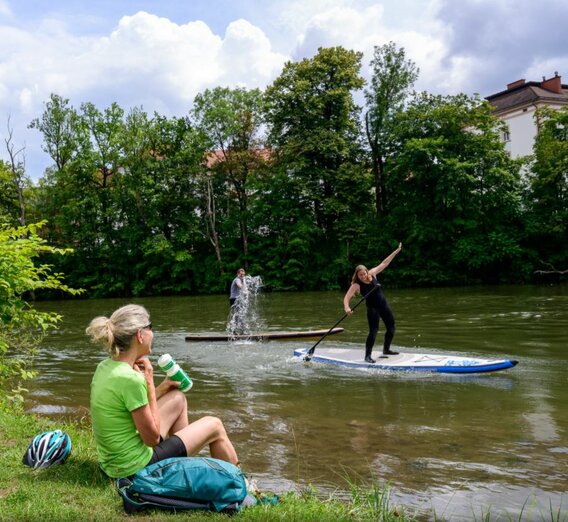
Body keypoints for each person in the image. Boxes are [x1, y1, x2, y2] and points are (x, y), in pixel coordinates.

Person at [86, 304, 239, 479]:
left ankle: (183, 467)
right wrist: (149, 384)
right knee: (215, 425)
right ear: (140, 335)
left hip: (113, 464)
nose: (153, 333)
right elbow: (152, 439)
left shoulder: (105, 367)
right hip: (134, 468)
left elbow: (129, 405)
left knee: (177, 398)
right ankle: (240, 484)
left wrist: (162, 388)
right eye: (150, 327)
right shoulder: (131, 379)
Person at [343, 243, 402, 363]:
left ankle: (386, 350)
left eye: (364, 273)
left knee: (391, 328)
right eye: (360, 275)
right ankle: (367, 356)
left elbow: (385, 263)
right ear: (357, 276)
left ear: (366, 271)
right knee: (373, 331)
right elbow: (346, 298)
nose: (364, 276)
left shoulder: (373, 273)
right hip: (373, 309)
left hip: (384, 305)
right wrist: (347, 308)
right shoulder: (356, 285)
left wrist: (396, 251)